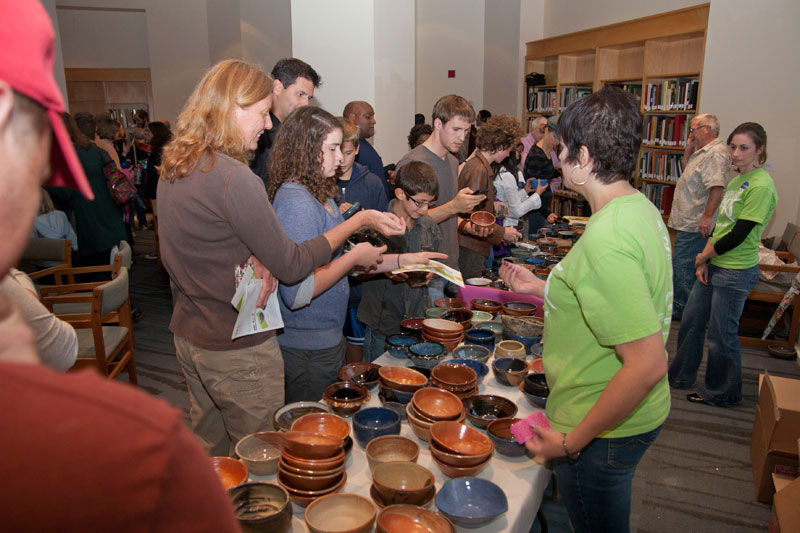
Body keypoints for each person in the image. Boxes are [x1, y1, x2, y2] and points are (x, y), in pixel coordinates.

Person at [0, 2, 239, 529]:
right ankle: (117, 316)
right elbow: (61, 348)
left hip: (99, 241)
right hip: (115, 238)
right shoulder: (139, 453)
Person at [157, 60, 404, 455]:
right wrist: (354, 223)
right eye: (260, 113)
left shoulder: (177, 164)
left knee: (217, 453)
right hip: (237, 346)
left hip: (190, 335)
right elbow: (292, 266)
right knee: (265, 458)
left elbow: (190, 248)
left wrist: (258, 253)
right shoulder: (235, 176)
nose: (269, 125)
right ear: (232, 108)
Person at [500, 87, 672, 533]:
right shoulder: (637, 208)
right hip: (622, 412)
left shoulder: (606, 239)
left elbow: (647, 364)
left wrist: (570, 442)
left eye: (562, 151)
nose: (557, 160)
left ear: (585, 156)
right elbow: (619, 300)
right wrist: (544, 286)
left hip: (602, 424)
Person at [267, 106, 444, 402]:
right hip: (306, 346)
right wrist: (354, 251)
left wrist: (403, 260)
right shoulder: (296, 201)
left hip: (325, 338)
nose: (341, 158)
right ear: (307, 149)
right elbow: (297, 293)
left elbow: (339, 265)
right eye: (333, 148)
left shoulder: (319, 194)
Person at [669, 122, 777, 407]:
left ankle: (723, 392)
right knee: (691, 322)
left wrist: (706, 255)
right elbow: (721, 226)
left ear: (759, 150)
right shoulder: (736, 180)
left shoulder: (761, 185)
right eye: (733, 147)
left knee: (721, 334)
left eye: (744, 148)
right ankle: (679, 376)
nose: (736, 153)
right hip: (715, 263)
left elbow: (740, 233)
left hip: (735, 270)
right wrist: (704, 259)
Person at [396, 94, 488, 301]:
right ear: (438, 123)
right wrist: (454, 207)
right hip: (426, 268)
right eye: (456, 129)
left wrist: (464, 218)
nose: (462, 137)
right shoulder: (413, 163)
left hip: (450, 264)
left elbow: (446, 217)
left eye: (466, 131)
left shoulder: (453, 162)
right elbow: (408, 222)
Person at [359, 161, 444, 362]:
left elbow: (435, 257)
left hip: (417, 318)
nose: (424, 209)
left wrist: (432, 271)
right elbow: (355, 269)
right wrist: (383, 269)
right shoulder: (377, 225)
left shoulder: (428, 226)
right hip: (383, 321)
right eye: (419, 202)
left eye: (430, 204)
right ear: (399, 193)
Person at [667, 114, 731, 320]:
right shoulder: (701, 153)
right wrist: (688, 150)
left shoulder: (716, 154)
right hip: (687, 220)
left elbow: (717, 187)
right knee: (682, 264)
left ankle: (684, 312)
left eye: (693, 130)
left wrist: (707, 217)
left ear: (707, 129)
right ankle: (684, 309)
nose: (691, 134)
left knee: (684, 266)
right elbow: (688, 173)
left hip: (696, 223)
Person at [336, 119, 389, 363]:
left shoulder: (372, 183)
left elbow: (383, 236)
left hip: (361, 287)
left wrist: (361, 220)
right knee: (335, 352)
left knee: (357, 349)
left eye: (348, 152)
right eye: (336, 151)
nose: (342, 159)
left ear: (357, 149)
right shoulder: (323, 183)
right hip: (332, 283)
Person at [46, 114, 128, 268]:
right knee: (113, 277)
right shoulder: (94, 149)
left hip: (91, 230)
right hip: (112, 224)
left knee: (96, 281)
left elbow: (65, 193)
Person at [457, 114, 523, 279]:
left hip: (474, 245)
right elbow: (473, 218)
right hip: (472, 247)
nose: (508, 155)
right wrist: (502, 233)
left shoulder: (479, 166)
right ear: (500, 145)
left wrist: (492, 206)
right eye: (509, 149)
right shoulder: (479, 169)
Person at [249, 57, 321, 184]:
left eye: (308, 97)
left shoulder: (296, 132)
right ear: (277, 87)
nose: (305, 104)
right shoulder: (258, 135)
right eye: (300, 94)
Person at [522, 114, 560, 236]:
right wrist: (547, 212)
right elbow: (535, 189)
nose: (557, 142)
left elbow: (545, 175)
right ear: (547, 131)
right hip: (537, 211)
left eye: (560, 139)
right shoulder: (537, 154)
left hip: (542, 209)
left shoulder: (547, 151)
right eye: (555, 137)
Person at [494, 148, 548, 231]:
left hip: (501, 223)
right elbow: (517, 211)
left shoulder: (499, 171)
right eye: (518, 152)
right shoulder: (507, 176)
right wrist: (537, 194)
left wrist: (525, 191)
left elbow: (510, 200)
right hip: (506, 225)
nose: (519, 156)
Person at [343, 101, 385, 191]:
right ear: (352, 118)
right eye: (368, 117)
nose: (374, 121)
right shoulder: (352, 148)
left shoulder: (363, 144)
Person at [32, 188, 78, 253]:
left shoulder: (30, 221)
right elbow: (74, 243)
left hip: (41, 261)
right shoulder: (61, 215)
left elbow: (31, 249)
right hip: (65, 260)